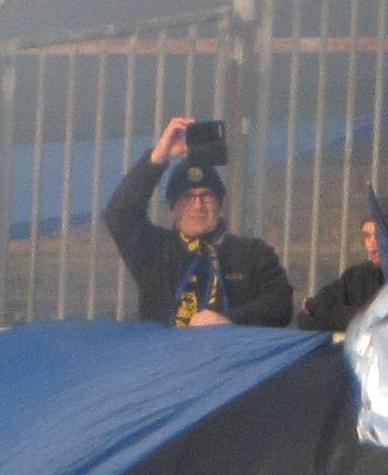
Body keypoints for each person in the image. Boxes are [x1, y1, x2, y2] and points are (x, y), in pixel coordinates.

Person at [106, 116, 294, 327]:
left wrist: (229, 319)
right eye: (187, 197)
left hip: (229, 348)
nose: (198, 205)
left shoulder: (252, 254)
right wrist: (158, 156)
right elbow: (119, 214)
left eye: (206, 195)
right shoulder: (154, 251)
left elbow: (280, 305)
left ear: (219, 202)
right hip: (167, 349)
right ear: (173, 206)